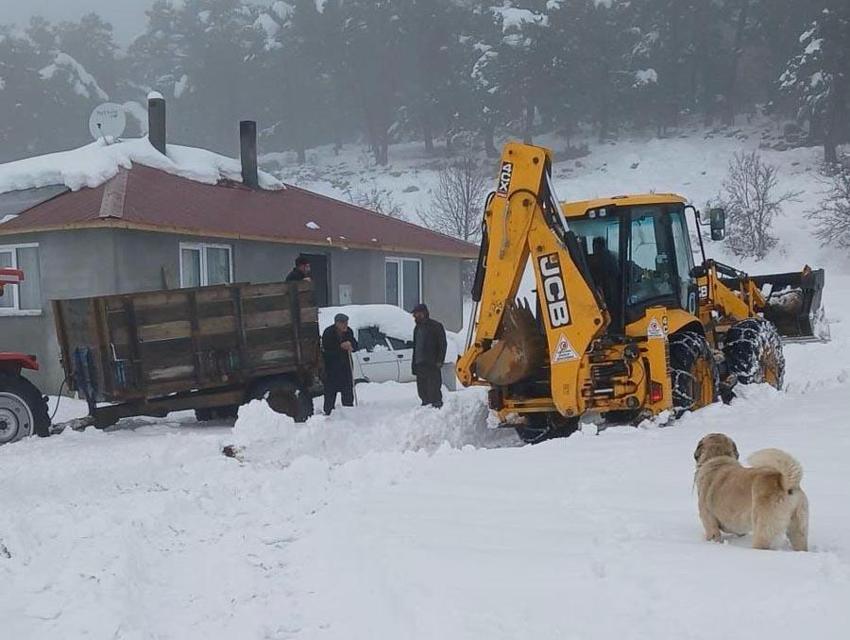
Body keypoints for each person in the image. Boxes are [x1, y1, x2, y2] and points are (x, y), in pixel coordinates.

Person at [411, 303, 447, 409]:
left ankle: (436, 406)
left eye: (417, 314)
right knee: (422, 389)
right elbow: (416, 347)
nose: (415, 316)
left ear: (424, 313)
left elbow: (442, 344)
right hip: (420, 364)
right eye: (414, 315)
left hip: (432, 363)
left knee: (433, 388)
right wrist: (414, 365)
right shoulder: (417, 328)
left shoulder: (435, 326)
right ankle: (425, 404)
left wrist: (440, 360)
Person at [321, 313, 358, 415]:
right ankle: (328, 413)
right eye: (342, 323)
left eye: (346, 322)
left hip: (345, 368)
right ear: (336, 323)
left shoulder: (349, 331)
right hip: (331, 369)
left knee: (347, 392)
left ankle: (349, 411)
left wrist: (351, 345)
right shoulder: (328, 332)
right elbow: (327, 350)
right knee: (330, 393)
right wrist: (341, 347)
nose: (345, 325)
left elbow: (355, 345)